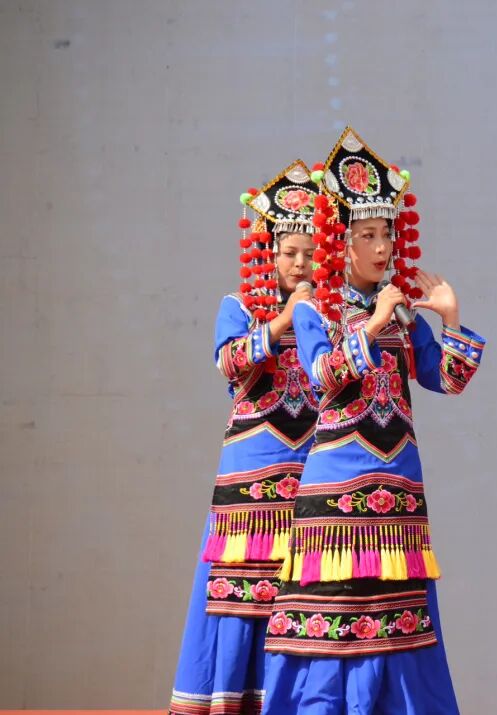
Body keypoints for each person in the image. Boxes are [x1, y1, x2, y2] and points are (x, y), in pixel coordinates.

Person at [260, 128, 486, 714]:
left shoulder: (404, 314)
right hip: (337, 488)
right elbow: (322, 376)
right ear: (341, 242)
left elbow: (448, 380)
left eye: (387, 233)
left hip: (399, 486)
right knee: (333, 620)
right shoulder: (313, 308)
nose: (382, 247)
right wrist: (374, 322)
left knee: (400, 623)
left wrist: (450, 320)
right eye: (368, 235)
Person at [170, 161, 321, 714]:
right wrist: (283, 321)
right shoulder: (238, 306)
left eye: (310, 253)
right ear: (268, 252)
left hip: (313, 470)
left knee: (304, 597)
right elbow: (231, 363)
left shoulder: (327, 314)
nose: (300, 264)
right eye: (290, 253)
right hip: (253, 471)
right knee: (242, 595)